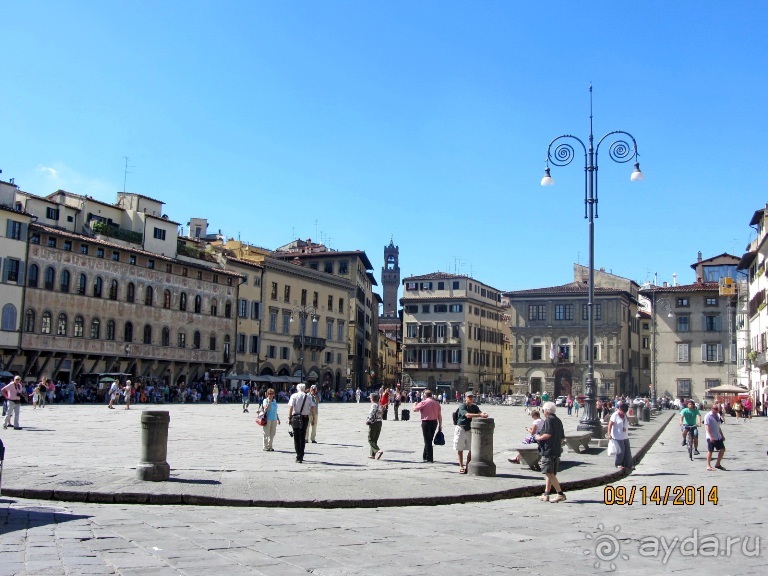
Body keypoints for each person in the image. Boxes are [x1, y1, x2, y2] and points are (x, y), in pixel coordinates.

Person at [535, 402, 566, 503]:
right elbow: (562, 438)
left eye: (543, 411)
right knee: (550, 473)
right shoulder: (558, 420)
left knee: (548, 472)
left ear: (546, 411)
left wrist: (538, 437)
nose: (543, 412)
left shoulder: (549, 420)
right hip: (556, 450)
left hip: (548, 450)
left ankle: (560, 494)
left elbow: (547, 434)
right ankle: (546, 494)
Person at [453, 391, 488, 473]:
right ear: (465, 398)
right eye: (469, 397)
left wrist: (484, 414)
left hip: (469, 429)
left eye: (472, 397)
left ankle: (468, 465)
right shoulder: (462, 406)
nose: (471, 398)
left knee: (471, 448)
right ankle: (461, 465)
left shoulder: (474, 407)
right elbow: (467, 415)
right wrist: (480, 415)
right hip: (461, 428)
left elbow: (480, 412)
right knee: (460, 447)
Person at [287, 383, 316, 463]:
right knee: (302, 437)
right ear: (304, 388)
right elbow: (313, 407)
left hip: (295, 417)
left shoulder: (294, 396)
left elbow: (290, 407)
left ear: (297, 389)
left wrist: (289, 417)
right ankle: (301, 455)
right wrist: (314, 418)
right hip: (305, 418)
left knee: (296, 437)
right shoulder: (308, 396)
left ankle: (298, 455)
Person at [413, 389, 442, 463]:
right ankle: (425, 455)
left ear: (425, 395)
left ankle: (430, 458)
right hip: (435, 422)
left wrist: (414, 404)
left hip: (426, 422)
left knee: (427, 440)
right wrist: (440, 425)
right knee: (429, 439)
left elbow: (415, 410)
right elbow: (439, 415)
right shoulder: (436, 403)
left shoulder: (424, 402)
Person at [607, 402, 633, 470]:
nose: (623, 413)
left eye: (624, 412)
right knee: (621, 450)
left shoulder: (625, 415)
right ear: (619, 409)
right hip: (617, 436)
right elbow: (610, 424)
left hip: (625, 436)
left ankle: (628, 465)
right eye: (622, 411)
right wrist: (609, 434)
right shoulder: (615, 415)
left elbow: (627, 422)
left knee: (627, 451)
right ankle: (618, 464)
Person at [704, 403, 726, 471]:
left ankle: (717, 464)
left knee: (722, 449)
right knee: (710, 451)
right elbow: (707, 427)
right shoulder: (708, 416)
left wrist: (722, 435)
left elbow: (718, 427)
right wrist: (710, 436)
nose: (716, 410)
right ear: (711, 409)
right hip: (710, 436)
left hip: (718, 436)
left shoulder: (718, 415)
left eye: (717, 409)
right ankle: (708, 465)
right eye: (715, 409)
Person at [366, 392, 384, 459]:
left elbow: (372, 413)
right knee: (375, 439)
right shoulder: (379, 404)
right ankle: (372, 454)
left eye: (370, 398)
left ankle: (378, 451)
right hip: (379, 422)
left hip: (374, 423)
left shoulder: (374, 405)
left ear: (372, 399)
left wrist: (368, 420)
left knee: (370, 439)